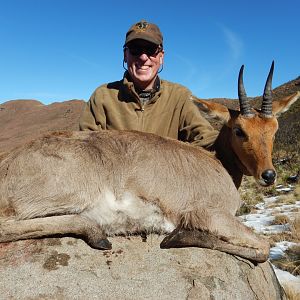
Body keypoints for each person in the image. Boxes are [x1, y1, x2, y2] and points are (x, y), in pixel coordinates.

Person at [79, 20, 218, 149]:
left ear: (161, 56)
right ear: (125, 55)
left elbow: (206, 139)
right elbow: (84, 147)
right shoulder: (103, 96)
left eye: (151, 49)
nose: (143, 57)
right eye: (135, 49)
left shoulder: (180, 97)